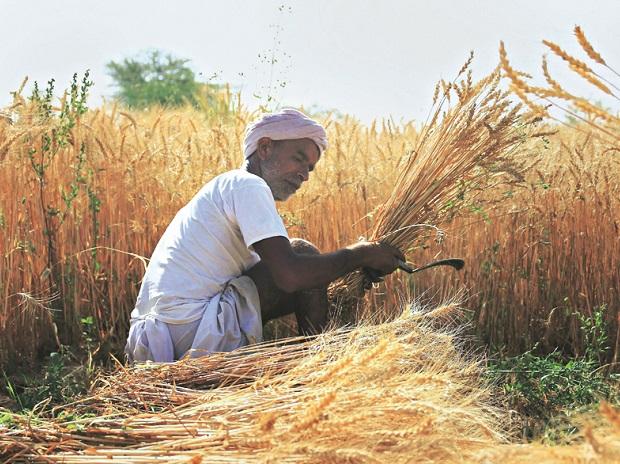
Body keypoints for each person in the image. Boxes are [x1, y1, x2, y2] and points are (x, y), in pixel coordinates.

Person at [125, 108, 404, 362]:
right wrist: (363, 254)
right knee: (301, 254)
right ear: (265, 147)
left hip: (150, 341)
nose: (304, 175)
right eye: (299, 158)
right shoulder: (248, 185)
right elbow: (291, 275)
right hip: (192, 329)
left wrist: (348, 272)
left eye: (310, 168)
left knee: (297, 260)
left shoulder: (225, 187)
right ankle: (318, 371)